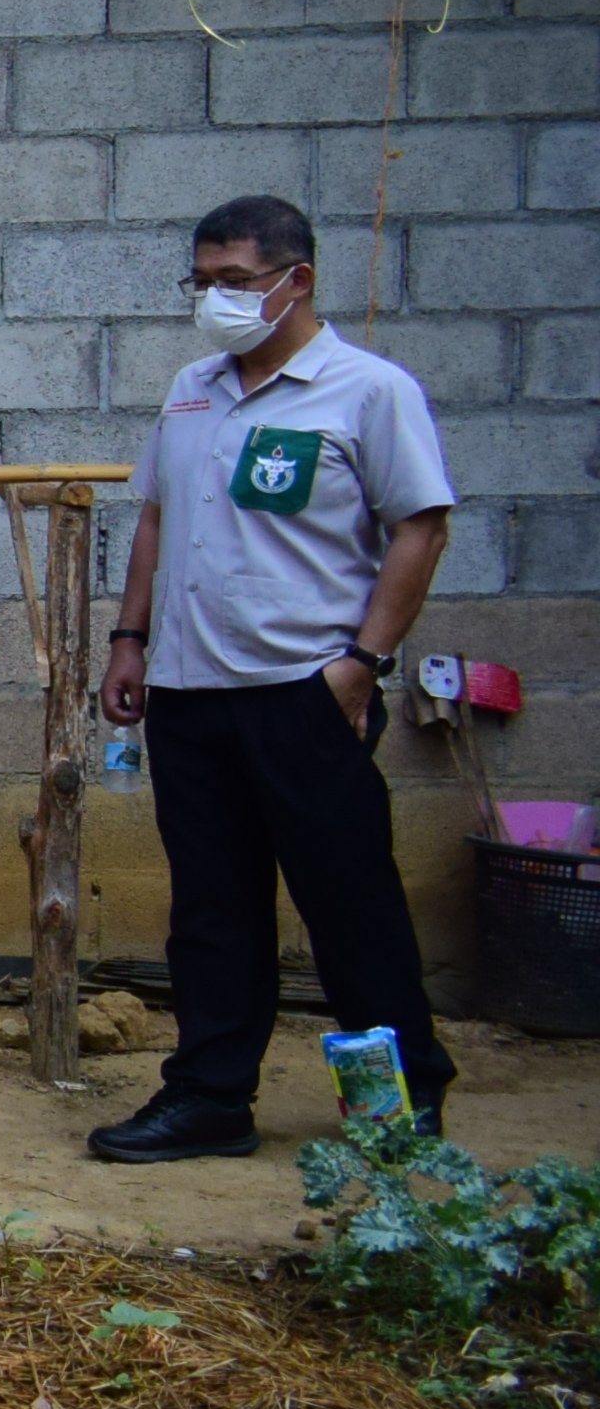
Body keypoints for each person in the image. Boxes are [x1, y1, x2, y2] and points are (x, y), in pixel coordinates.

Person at [94, 194, 458, 1162]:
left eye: (234, 282)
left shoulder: (364, 390)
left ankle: (392, 1105)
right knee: (209, 912)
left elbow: (417, 525)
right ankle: (210, 1096)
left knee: (348, 907)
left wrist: (360, 664)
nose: (213, 299)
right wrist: (127, 639)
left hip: (303, 691)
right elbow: (156, 519)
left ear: (295, 280)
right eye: (200, 281)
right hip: (186, 692)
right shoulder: (189, 389)